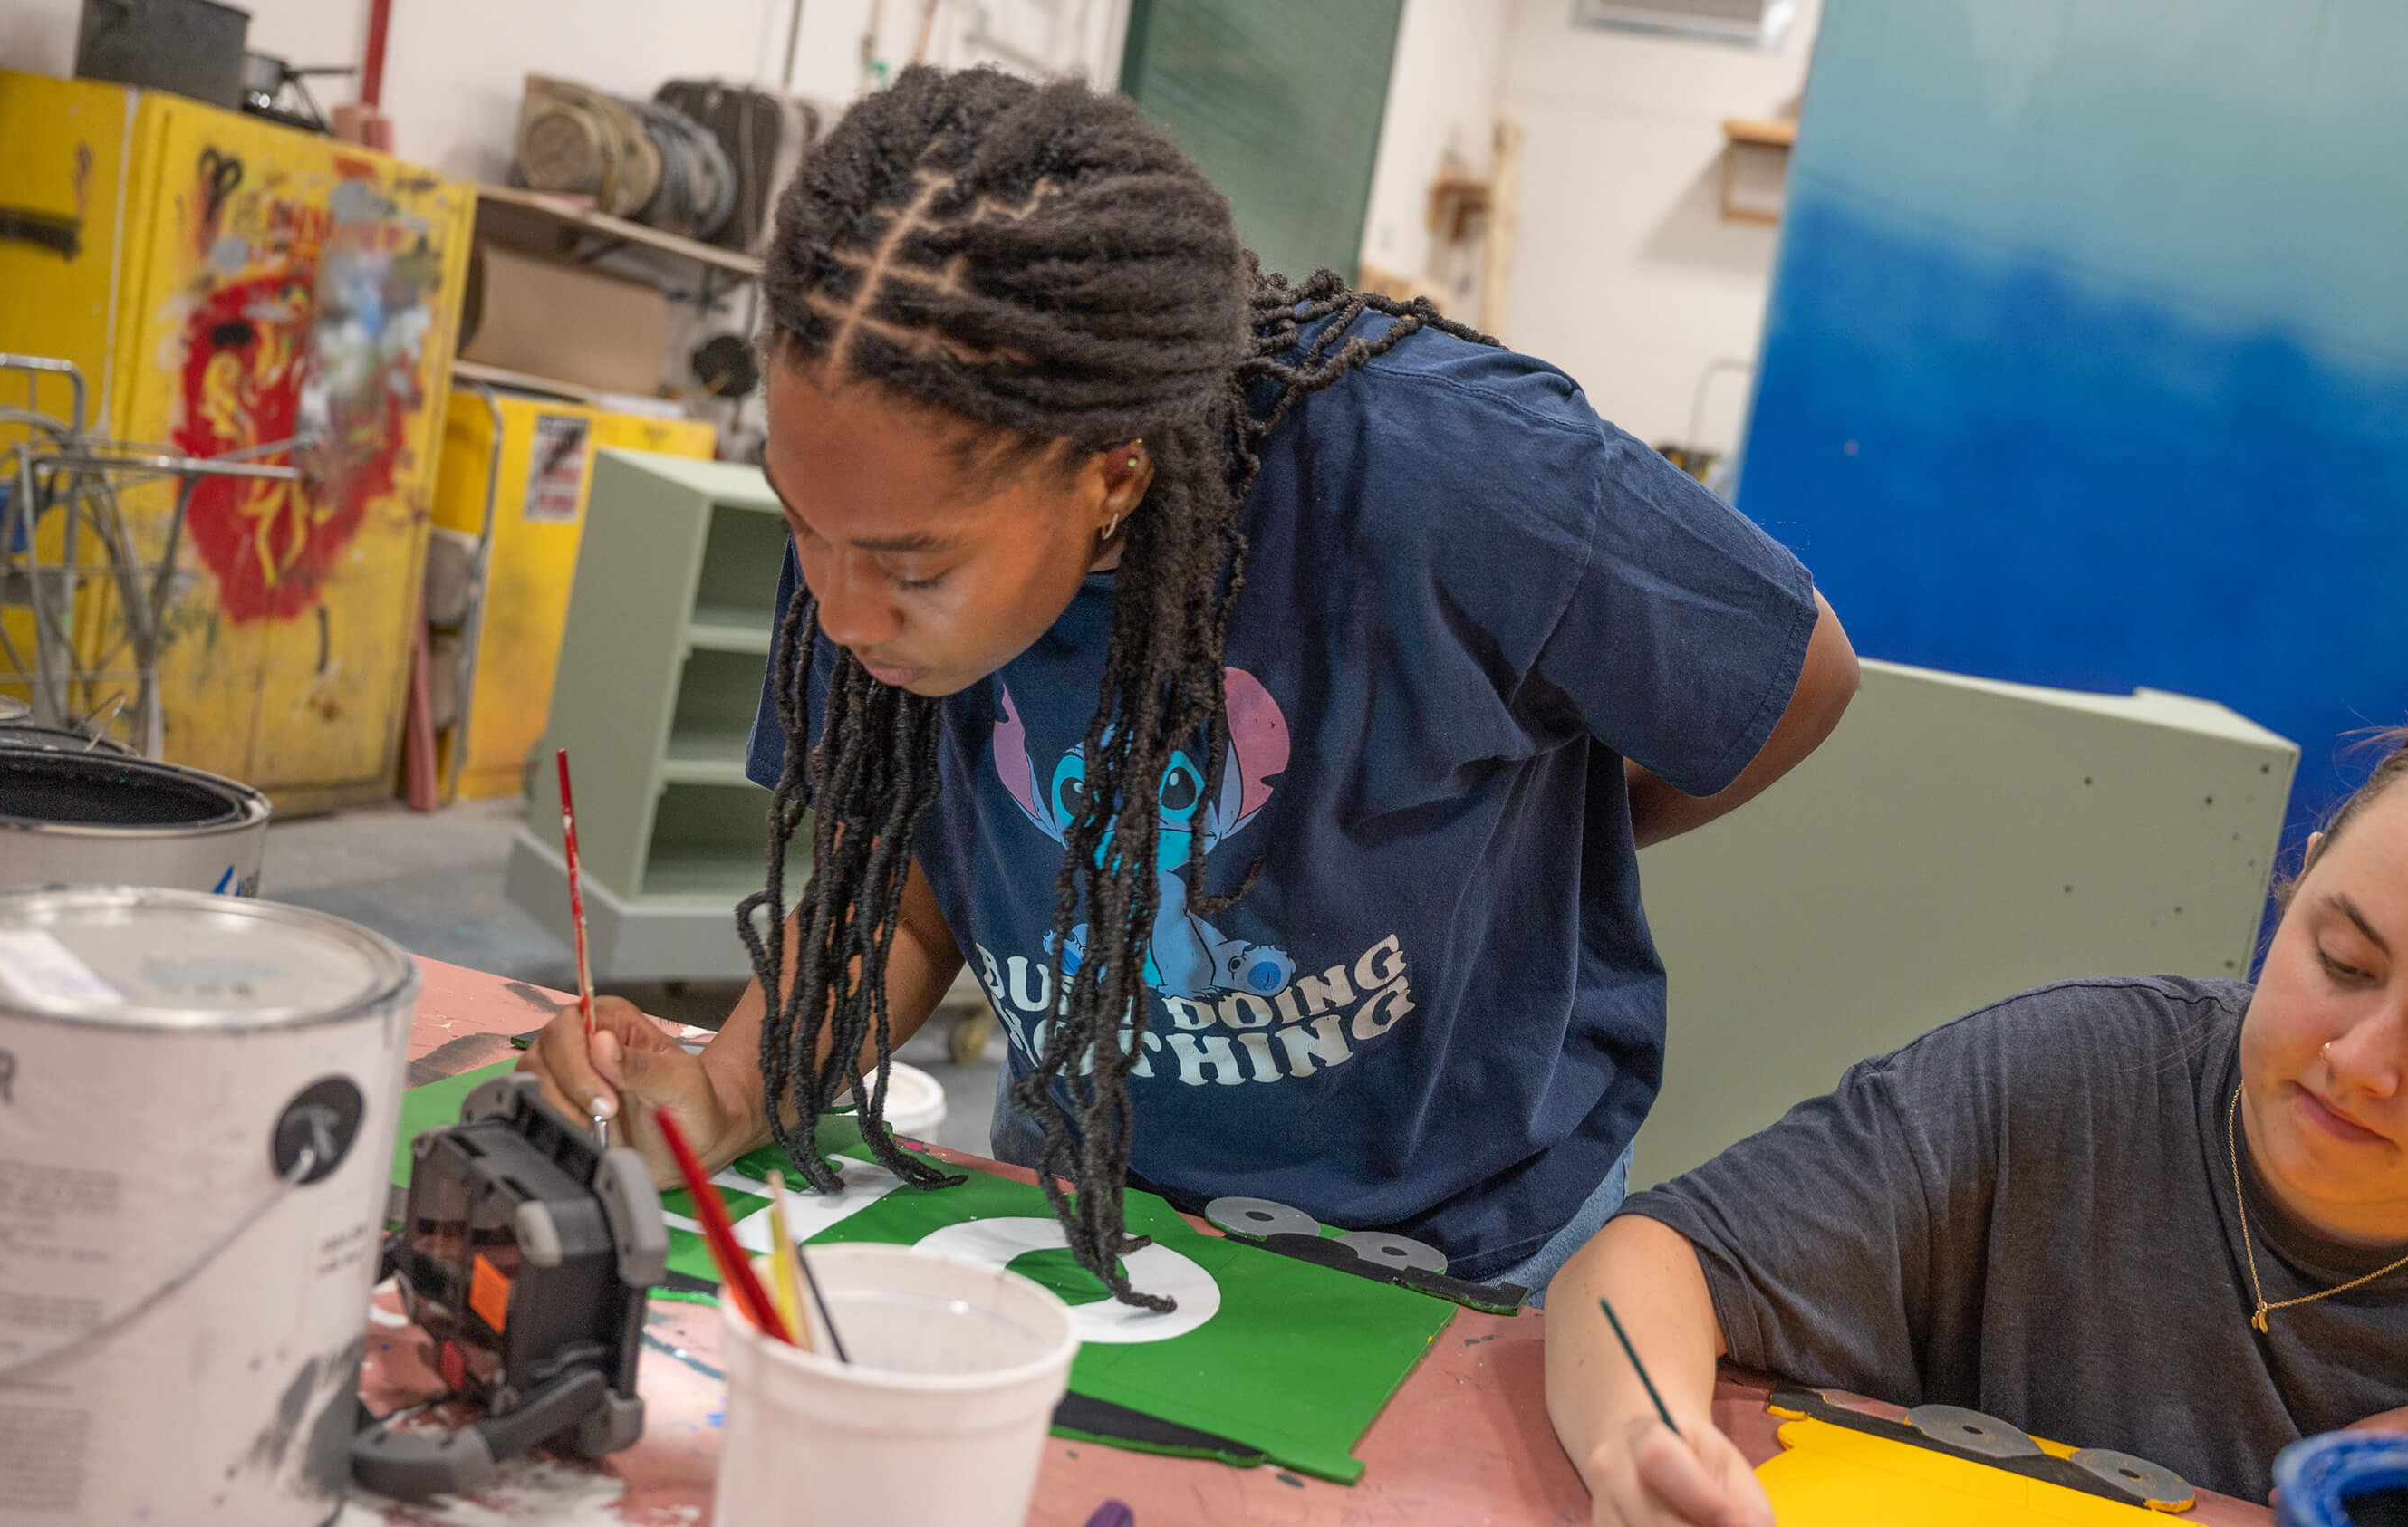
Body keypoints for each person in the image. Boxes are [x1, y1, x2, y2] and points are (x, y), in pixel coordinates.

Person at [518, 65, 1858, 1304]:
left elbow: (1795, 672)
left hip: (1463, 1241)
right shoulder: (864, 531)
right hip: (1095, 1205)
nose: (840, 602)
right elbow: (914, 885)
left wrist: (1551, 847)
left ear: (1111, 471)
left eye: (911, 564)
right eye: (800, 525)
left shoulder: (1461, 473)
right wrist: (733, 1089)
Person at [1546, 713, 2408, 1522]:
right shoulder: (2066, 1084)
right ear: (2291, 888)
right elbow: (1653, 1261)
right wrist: (1645, 1442)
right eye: (2341, 961)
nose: (2361, 1061)